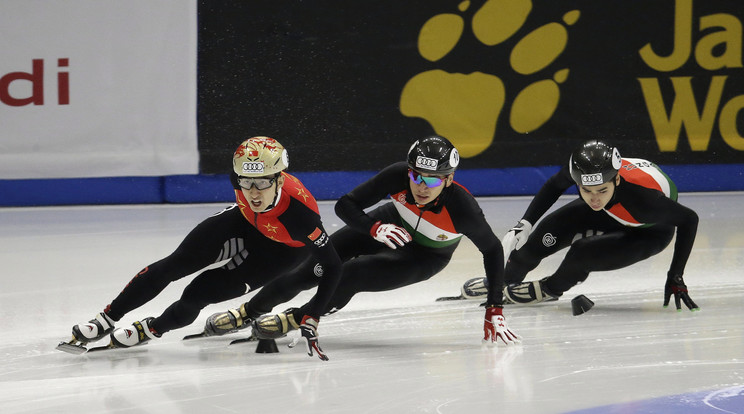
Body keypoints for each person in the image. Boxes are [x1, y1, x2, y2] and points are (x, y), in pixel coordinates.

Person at [204, 135, 520, 355]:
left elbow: (492, 250)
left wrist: (495, 306)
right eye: (417, 176)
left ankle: (296, 317)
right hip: (387, 224)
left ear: (449, 180)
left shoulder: (463, 210)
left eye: (433, 180)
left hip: (425, 256)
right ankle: (249, 311)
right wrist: (374, 226)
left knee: (352, 273)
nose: (422, 187)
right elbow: (346, 205)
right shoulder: (397, 176)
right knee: (310, 268)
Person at [61, 136, 342, 360]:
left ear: (279, 179)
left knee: (197, 294)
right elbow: (249, 187)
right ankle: (106, 319)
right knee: (176, 263)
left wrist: (313, 313)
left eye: (262, 183)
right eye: (245, 182)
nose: (253, 192)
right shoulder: (243, 179)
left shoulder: (301, 217)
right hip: (243, 223)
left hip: (282, 250)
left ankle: (152, 328)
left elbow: (332, 265)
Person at [458, 140, 699, 312]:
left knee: (582, 252)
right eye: (586, 190)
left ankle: (550, 288)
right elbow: (554, 185)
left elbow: (690, 219)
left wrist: (675, 276)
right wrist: (525, 223)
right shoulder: (584, 172)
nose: (594, 198)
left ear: (616, 179)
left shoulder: (645, 202)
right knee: (540, 238)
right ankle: (506, 279)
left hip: (649, 231)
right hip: (611, 210)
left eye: (601, 190)